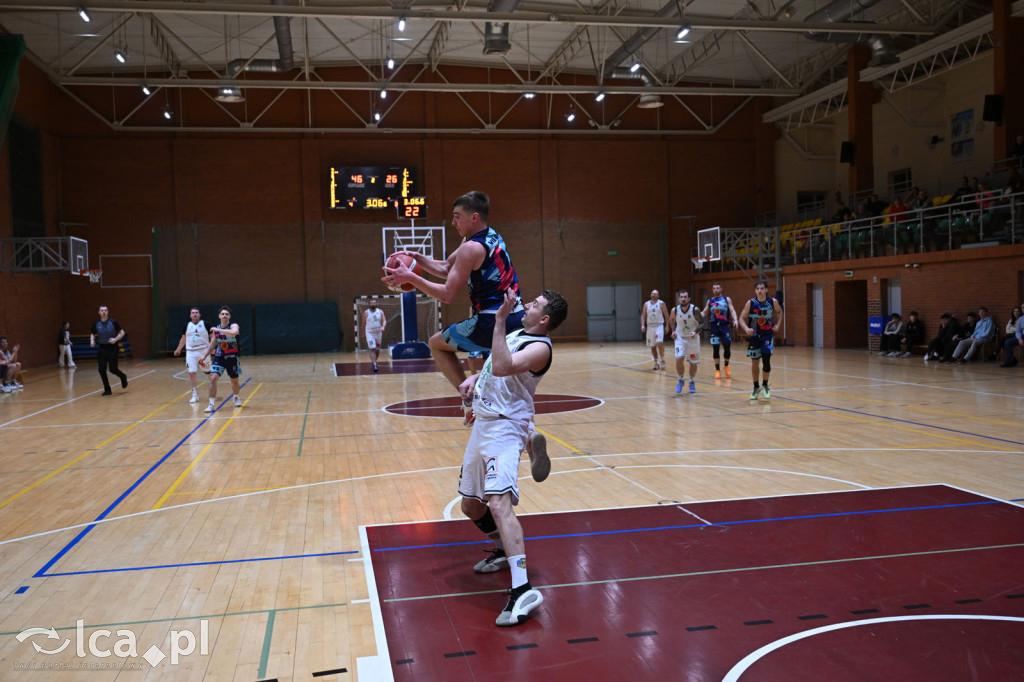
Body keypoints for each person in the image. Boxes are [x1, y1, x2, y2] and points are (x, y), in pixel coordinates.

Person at [457, 288, 567, 627]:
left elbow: (504, 365)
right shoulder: (519, 333)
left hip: (505, 430)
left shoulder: (539, 348)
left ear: (544, 319)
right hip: (485, 422)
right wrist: (477, 379)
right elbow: (495, 365)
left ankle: (523, 590)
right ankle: (503, 548)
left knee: (499, 503)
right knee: (470, 506)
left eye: (534, 304)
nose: (528, 304)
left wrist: (500, 318)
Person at [383, 191, 525, 426]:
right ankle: (500, 413)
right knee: (499, 387)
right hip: (515, 315)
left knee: (436, 344)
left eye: (457, 217)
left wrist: (411, 277)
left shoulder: (471, 248)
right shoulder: (491, 237)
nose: (453, 222)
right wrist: (418, 258)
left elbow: (447, 294)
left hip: (491, 321)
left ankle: (469, 400)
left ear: (474, 218)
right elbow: (447, 268)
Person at [738, 281, 782, 400]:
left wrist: (777, 325)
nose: (760, 291)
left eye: (762, 288)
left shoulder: (772, 302)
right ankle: (756, 387)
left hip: (767, 335)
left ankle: (765, 385)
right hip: (754, 336)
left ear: (766, 290)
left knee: (766, 360)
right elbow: (741, 318)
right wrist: (746, 328)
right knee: (755, 362)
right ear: (755, 291)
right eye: (757, 289)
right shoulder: (750, 303)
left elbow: (779, 312)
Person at [202, 306, 244, 412]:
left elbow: (233, 333)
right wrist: (204, 356)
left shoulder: (233, 326)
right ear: (219, 316)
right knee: (213, 379)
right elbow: (212, 344)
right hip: (219, 358)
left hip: (232, 358)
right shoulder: (216, 329)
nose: (224, 315)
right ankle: (211, 404)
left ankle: (236, 396)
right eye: (223, 314)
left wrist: (218, 330)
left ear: (229, 316)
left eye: (227, 314)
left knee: (234, 381)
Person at [173, 307, 211, 403]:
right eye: (193, 313)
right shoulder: (186, 326)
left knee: (209, 372)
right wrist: (178, 349)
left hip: (204, 351)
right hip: (191, 352)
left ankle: (212, 390)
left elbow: (213, 337)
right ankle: (194, 394)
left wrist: (212, 349)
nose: (194, 314)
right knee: (192, 372)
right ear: (190, 315)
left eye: (196, 312)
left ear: (199, 314)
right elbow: (183, 339)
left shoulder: (206, 324)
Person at [701, 282, 739, 379]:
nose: (716, 290)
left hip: (724, 326)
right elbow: (704, 312)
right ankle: (717, 370)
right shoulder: (710, 301)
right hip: (714, 327)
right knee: (716, 348)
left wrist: (735, 320)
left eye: (717, 288)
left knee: (727, 347)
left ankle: (726, 366)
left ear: (721, 289)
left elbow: (732, 310)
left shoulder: (726, 299)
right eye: (714, 288)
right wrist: (695, 315)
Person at [669, 290, 704, 394]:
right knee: (679, 359)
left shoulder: (695, 310)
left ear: (689, 298)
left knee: (693, 362)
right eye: (681, 297)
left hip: (692, 339)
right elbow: (672, 320)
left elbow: (702, 323)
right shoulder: (675, 310)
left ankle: (692, 381)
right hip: (680, 338)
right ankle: (680, 380)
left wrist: (695, 331)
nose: (683, 299)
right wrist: (673, 331)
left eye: (685, 297)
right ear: (679, 298)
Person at [90, 305, 128, 396]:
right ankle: (107, 389)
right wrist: (92, 340)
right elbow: (92, 334)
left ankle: (123, 376)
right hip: (102, 348)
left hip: (112, 348)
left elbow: (122, 332)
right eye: (102, 310)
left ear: (108, 312)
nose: (104, 312)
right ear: (99, 312)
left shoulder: (113, 322)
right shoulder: (96, 323)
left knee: (113, 369)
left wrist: (115, 339)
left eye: (105, 310)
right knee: (101, 369)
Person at [641, 289, 671, 371]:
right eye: (652, 293)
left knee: (659, 342)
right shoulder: (646, 304)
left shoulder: (661, 303)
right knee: (652, 346)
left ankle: (662, 360)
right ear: (650, 295)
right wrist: (643, 325)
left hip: (659, 325)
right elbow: (643, 316)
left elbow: (667, 316)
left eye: (655, 294)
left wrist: (667, 326)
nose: (653, 295)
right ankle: (656, 362)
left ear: (658, 295)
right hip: (650, 327)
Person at [362, 298, 387, 373]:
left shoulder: (380, 311)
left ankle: (374, 361)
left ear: (376, 304)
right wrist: (363, 333)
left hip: (378, 333)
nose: (373, 304)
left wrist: (383, 326)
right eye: (371, 303)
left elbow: (384, 320)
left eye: (374, 303)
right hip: (369, 333)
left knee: (377, 350)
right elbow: (363, 324)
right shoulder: (366, 312)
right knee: (372, 348)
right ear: (369, 304)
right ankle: (375, 364)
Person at [1000, 302, 1024, 367]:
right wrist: (1019, 339)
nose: (1023, 309)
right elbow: (1018, 331)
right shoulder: (1021, 319)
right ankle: (1010, 361)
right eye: (1022, 308)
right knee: (1008, 341)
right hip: (1022, 337)